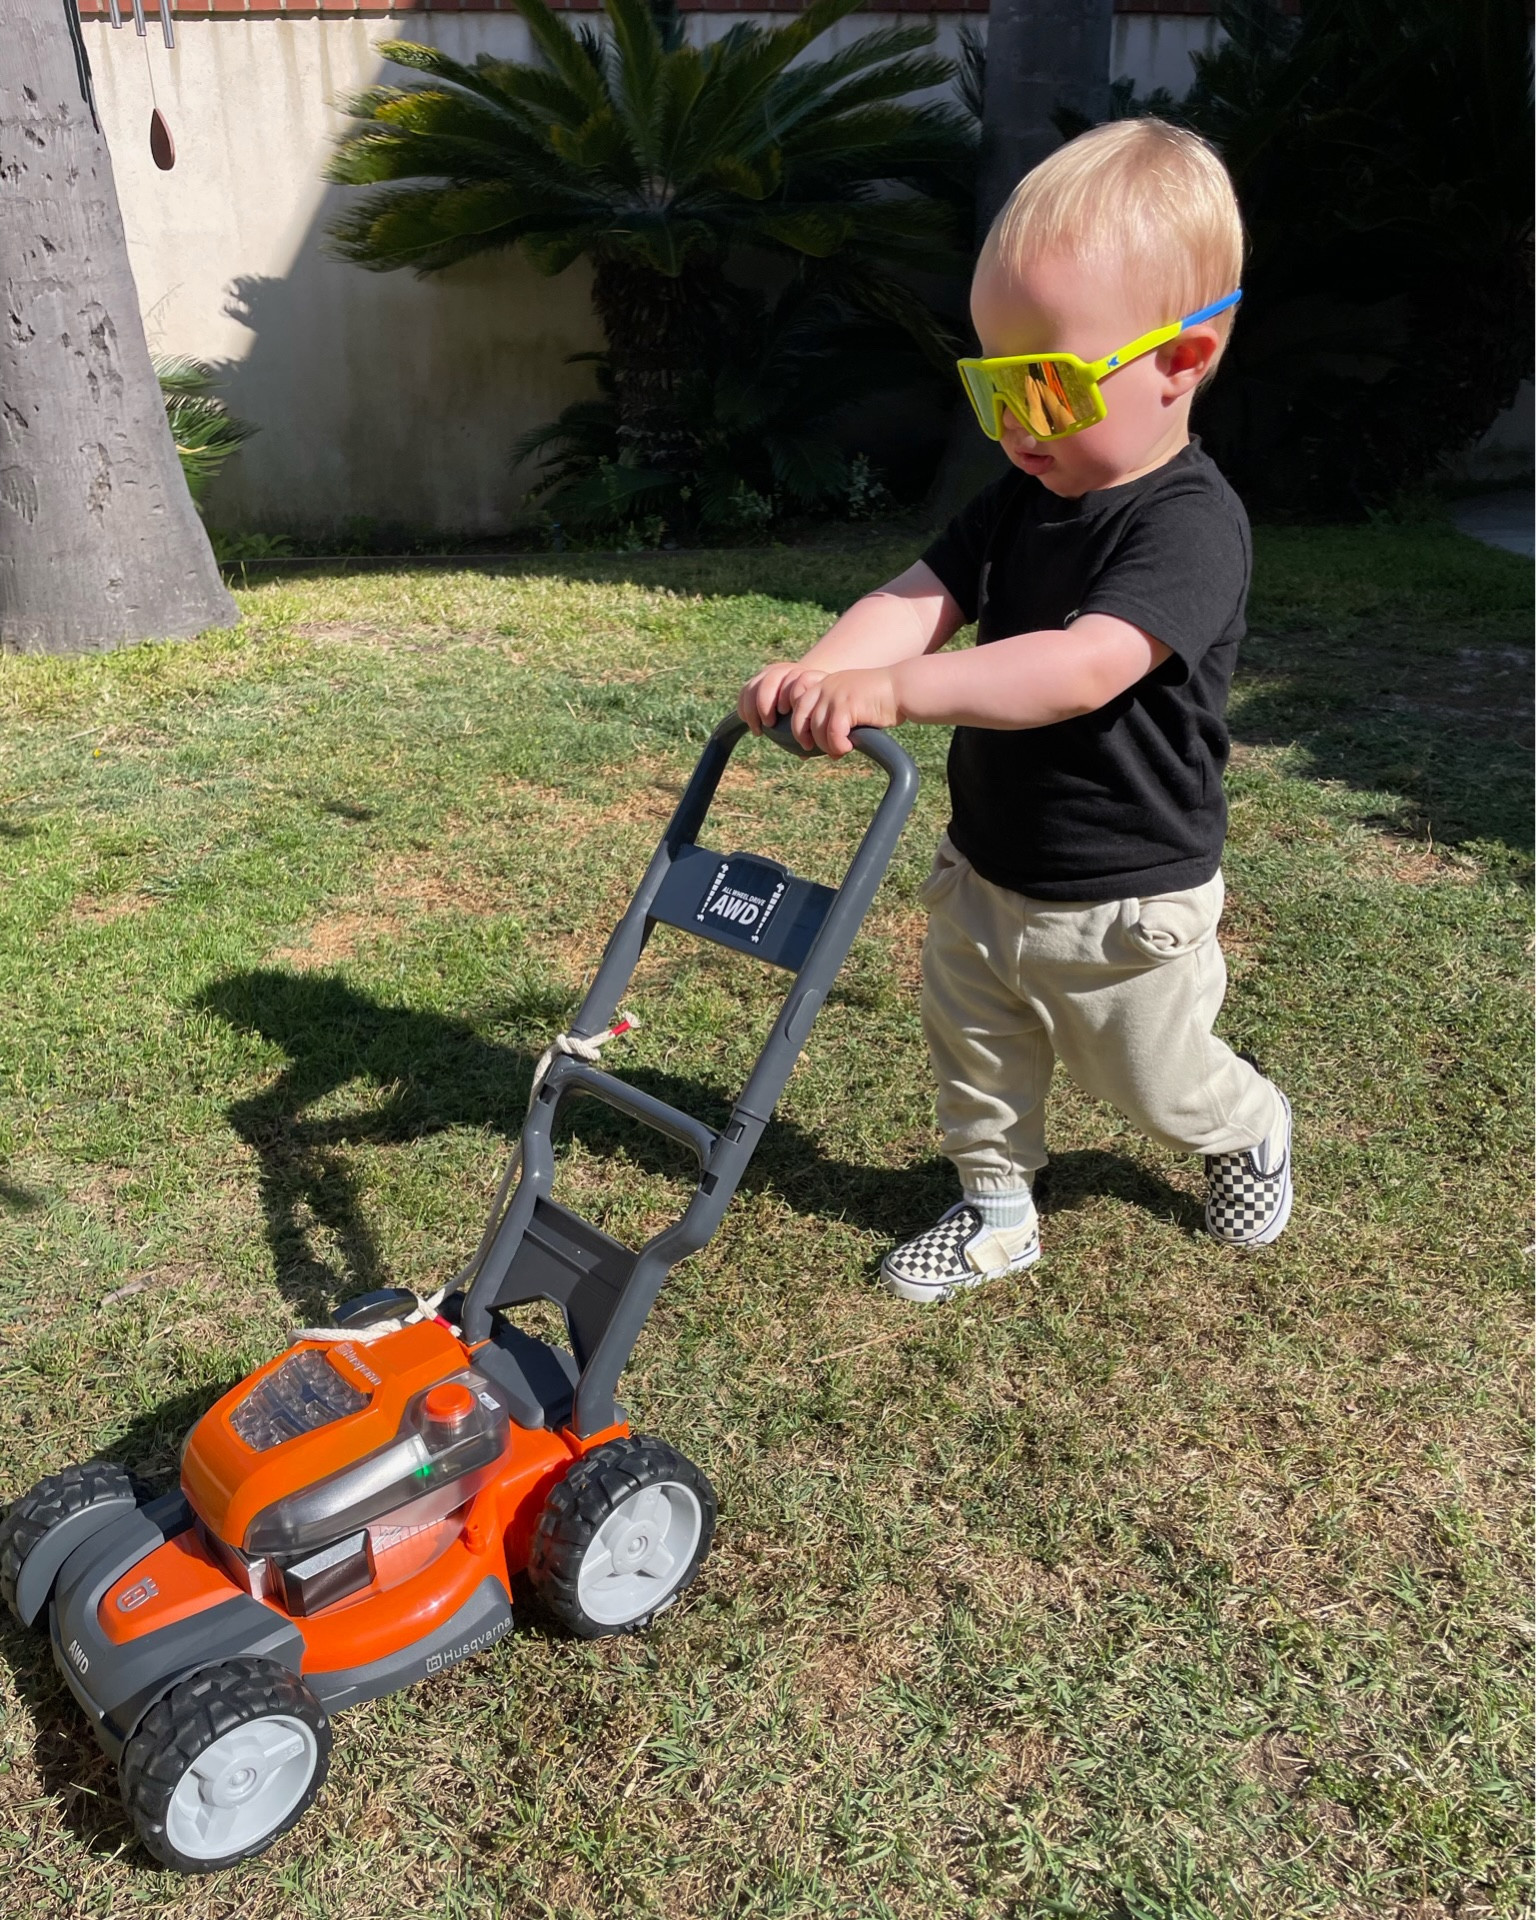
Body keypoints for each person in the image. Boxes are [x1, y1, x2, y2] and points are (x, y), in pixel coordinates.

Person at [737, 118, 1293, 1304]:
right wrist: (823, 664)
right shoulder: (1020, 496)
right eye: (991, 383)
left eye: (1042, 382)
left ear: (1179, 362)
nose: (1014, 423)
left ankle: (1243, 1124)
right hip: (987, 866)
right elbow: (923, 593)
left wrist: (892, 692)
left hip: (1127, 895)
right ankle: (997, 1210)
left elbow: (1082, 665)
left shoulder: (1187, 526)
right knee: (974, 1057)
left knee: (1153, 1079)